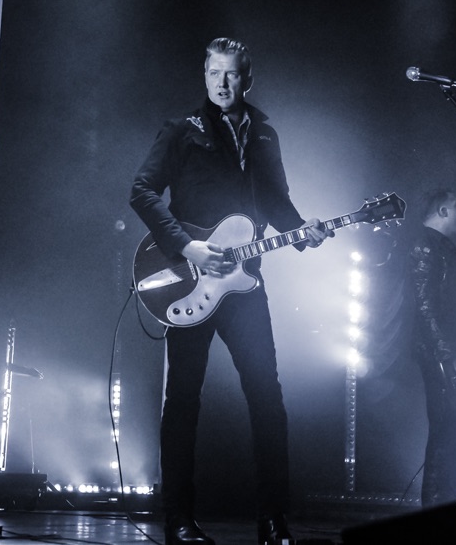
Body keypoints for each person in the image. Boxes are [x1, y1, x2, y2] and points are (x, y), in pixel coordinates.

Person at [130, 37, 332, 545]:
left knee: (268, 398)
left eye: (232, 74)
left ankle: (272, 519)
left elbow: (277, 201)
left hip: (244, 284)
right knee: (182, 401)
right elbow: (142, 191)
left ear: (248, 78)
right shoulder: (182, 130)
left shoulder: (264, 133)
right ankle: (178, 520)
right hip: (188, 276)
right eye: (214, 73)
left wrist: (303, 229)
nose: (223, 83)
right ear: (205, 75)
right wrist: (188, 248)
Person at [400, 187, 456, 508]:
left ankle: (446, 510)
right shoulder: (425, 247)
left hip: (455, 354)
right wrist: (449, 357)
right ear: (443, 211)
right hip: (442, 359)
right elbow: (424, 307)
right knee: (450, 435)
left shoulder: (448, 249)